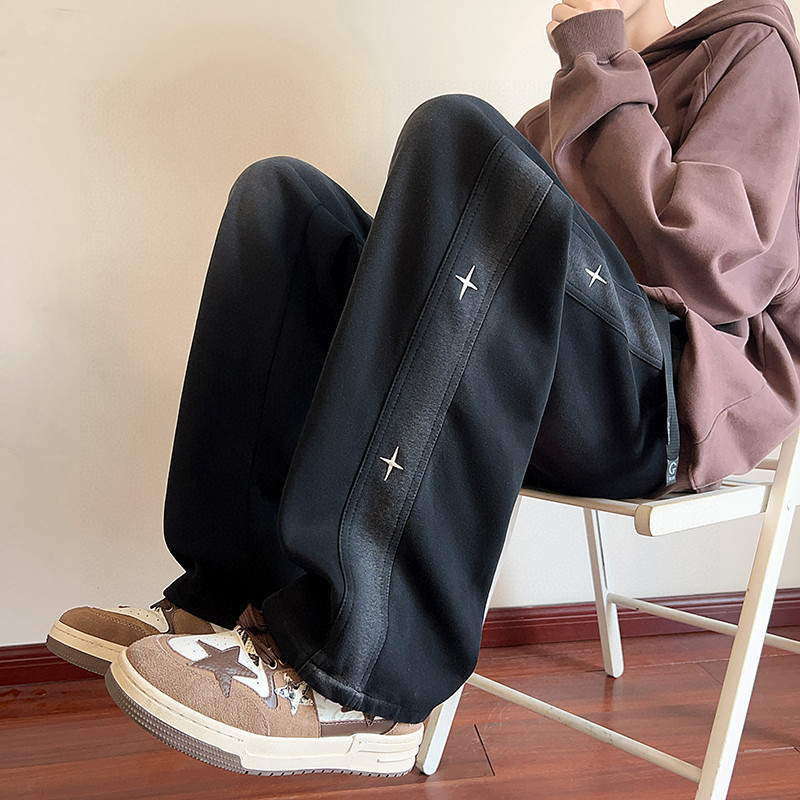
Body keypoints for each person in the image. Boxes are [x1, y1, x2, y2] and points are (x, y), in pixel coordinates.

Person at [46, 0, 800, 778]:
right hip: (542, 393)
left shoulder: (752, 46)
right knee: (285, 203)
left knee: (458, 131)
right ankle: (226, 599)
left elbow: (710, 266)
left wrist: (599, 58)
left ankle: (362, 676)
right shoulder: (574, 96)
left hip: (660, 406)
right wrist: (591, 75)